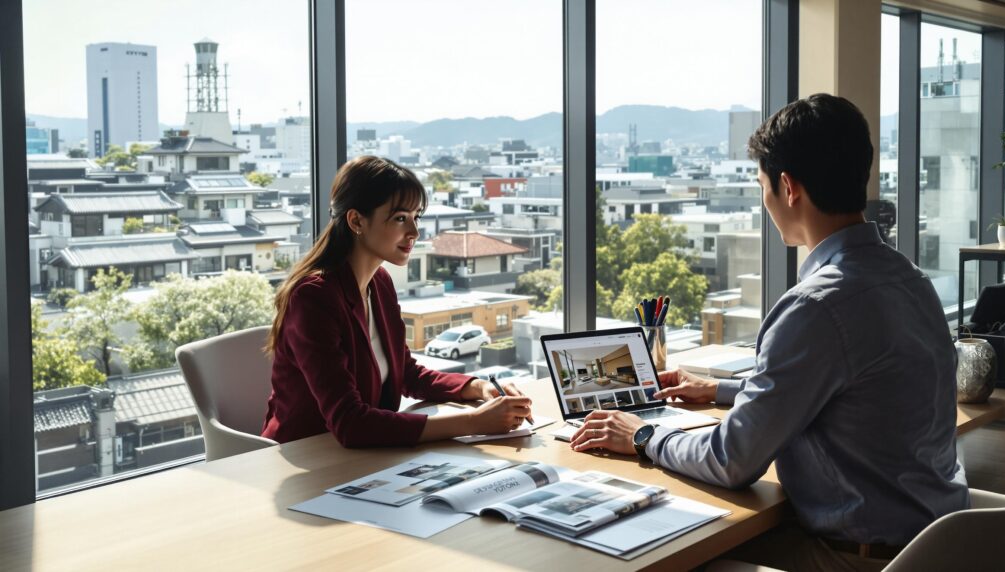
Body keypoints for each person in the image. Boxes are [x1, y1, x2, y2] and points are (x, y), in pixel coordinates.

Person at [569, 94, 968, 571]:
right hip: (936, 549)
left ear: (788, 187)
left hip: (854, 560)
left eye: (762, 185)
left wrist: (643, 435)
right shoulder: (910, 280)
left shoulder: (815, 307)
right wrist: (719, 389)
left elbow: (731, 460)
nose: (764, 201)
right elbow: (844, 387)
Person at [262, 156, 532, 447]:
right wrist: (473, 422)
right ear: (356, 221)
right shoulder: (313, 297)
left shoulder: (380, 283)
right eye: (401, 218)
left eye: (416, 217)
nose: (414, 232)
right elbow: (350, 423)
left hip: (367, 454)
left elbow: (407, 374)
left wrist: (478, 387)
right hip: (308, 458)